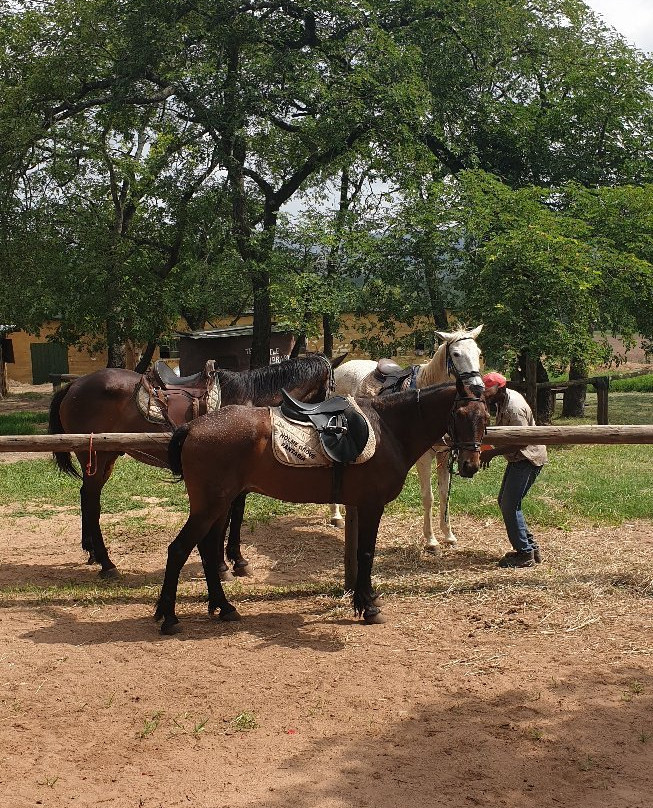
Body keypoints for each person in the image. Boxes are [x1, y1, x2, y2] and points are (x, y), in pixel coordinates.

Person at [480, 372, 547, 568]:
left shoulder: (514, 408)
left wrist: (492, 453)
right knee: (506, 501)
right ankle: (530, 547)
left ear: (499, 389)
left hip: (527, 458)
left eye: (488, 392)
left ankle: (525, 554)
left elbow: (522, 442)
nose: (485, 396)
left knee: (509, 505)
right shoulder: (503, 400)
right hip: (519, 458)